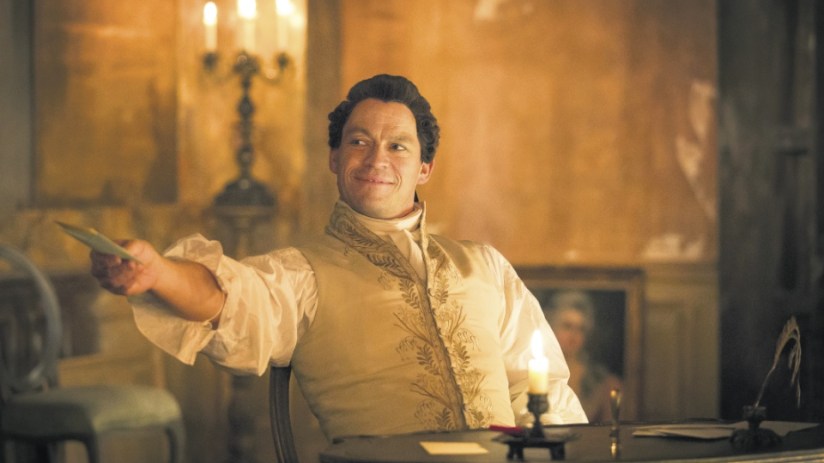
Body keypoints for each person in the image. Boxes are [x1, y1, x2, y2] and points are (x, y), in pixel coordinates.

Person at [90, 74, 587, 441]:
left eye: (398, 146)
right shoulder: (302, 275)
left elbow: (543, 392)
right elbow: (232, 301)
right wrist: (158, 274)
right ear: (334, 157)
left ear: (425, 167)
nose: (377, 159)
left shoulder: (485, 266)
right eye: (359, 141)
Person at [543, 290, 623, 423]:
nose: (573, 335)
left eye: (580, 329)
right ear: (552, 327)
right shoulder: (536, 372)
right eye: (567, 326)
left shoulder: (603, 382)